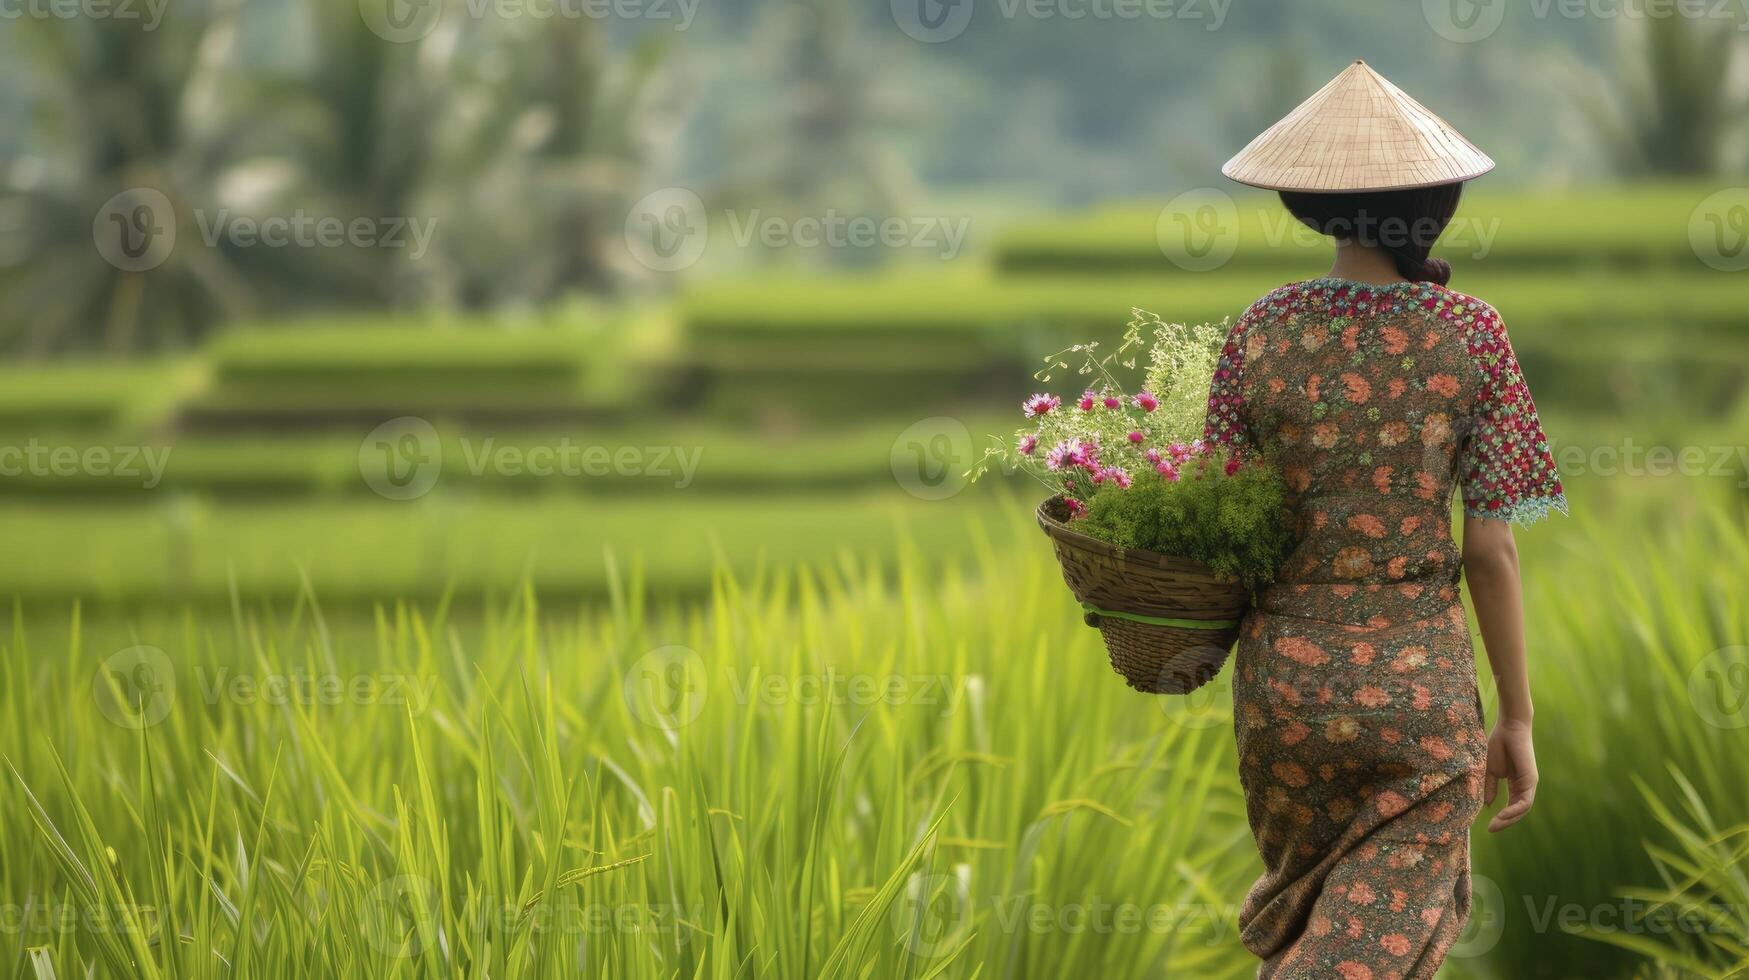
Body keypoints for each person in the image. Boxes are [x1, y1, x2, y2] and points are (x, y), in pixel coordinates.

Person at [1206, 60, 1566, 979]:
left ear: (1307, 203)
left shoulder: (1258, 331)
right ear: (1436, 204)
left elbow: (1221, 523)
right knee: (1360, 957)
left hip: (1281, 697)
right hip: (1416, 699)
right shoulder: (1471, 332)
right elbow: (1490, 552)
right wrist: (1516, 719)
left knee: (1312, 938)